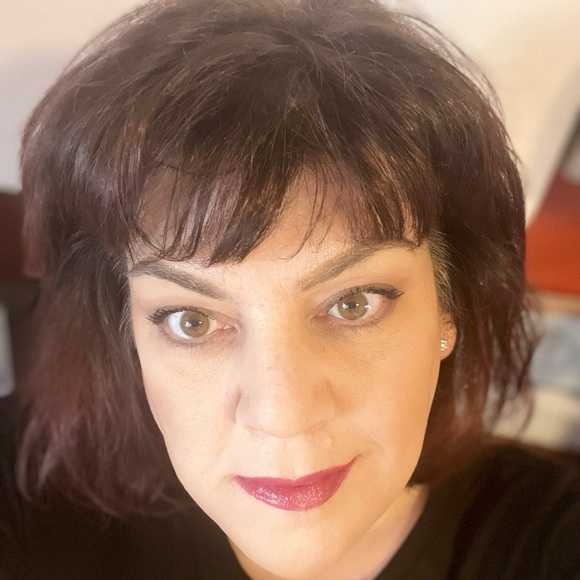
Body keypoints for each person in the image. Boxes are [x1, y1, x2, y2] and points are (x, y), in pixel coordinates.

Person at [0, 0, 578, 578]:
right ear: (128, 331)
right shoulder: (29, 502)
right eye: (191, 321)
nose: (282, 415)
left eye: (353, 304)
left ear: (449, 310)